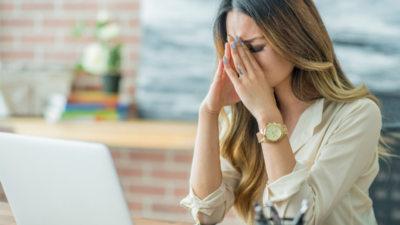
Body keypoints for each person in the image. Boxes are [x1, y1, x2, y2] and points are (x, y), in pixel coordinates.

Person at [180, 0, 393, 224]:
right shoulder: (243, 115)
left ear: (294, 39)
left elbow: (296, 218)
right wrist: (209, 112)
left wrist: (266, 115)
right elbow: (206, 213)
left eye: (254, 48)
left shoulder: (358, 115)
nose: (243, 62)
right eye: (235, 49)